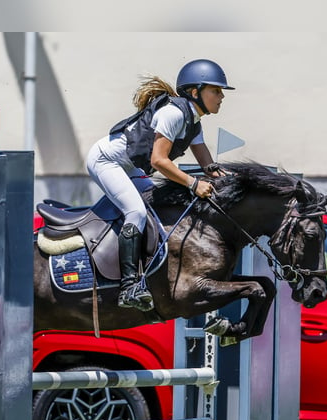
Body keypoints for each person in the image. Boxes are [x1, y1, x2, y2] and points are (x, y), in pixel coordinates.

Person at [86, 58, 234, 312]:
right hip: (106, 161)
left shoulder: (194, 120)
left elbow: (207, 164)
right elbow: (159, 160)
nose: (221, 97)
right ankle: (129, 286)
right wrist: (193, 184)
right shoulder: (174, 114)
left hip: (130, 167)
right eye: (216, 91)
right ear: (195, 92)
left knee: (154, 206)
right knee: (136, 212)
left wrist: (226, 180)